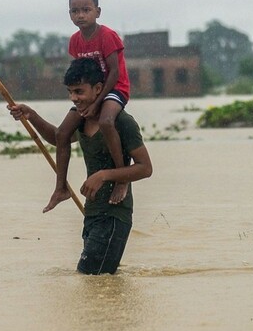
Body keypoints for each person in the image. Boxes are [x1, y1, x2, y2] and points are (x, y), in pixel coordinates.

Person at [8, 57, 152, 275]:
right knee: (96, 280)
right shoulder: (81, 120)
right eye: (70, 92)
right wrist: (32, 116)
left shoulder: (120, 121)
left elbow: (145, 168)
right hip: (91, 213)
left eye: (79, 92)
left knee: (90, 278)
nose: (73, 98)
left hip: (114, 215)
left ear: (98, 89)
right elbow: (59, 139)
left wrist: (104, 175)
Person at [45, 0, 131, 214]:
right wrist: (84, 100)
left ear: (98, 11)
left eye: (86, 10)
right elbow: (79, 72)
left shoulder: (107, 36)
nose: (80, 15)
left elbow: (113, 73)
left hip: (114, 89)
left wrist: (98, 101)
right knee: (63, 133)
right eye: (75, 11)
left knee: (106, 121)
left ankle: (122, 177)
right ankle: (61, 187)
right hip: (90, 94)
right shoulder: (75, 41)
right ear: (69, 14)